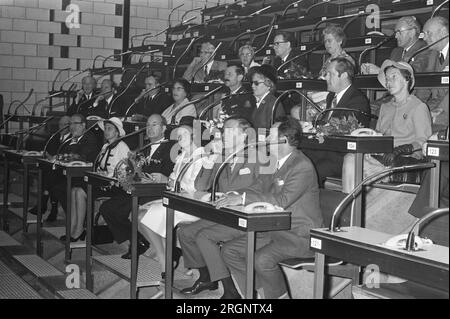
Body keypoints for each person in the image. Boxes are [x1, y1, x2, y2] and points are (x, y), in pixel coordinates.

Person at [211, 117, 323, 299]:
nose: (265, 140)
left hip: (298, 235)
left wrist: (243, 198)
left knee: (261, 259)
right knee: (229, 251)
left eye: (270, 135)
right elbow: (257, 186)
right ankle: (259, 294)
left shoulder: (301, 166)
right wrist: (234, 195)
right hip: (274, 230)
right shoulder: (274, 162)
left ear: (284, 140)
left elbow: (282, 200)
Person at [178, 117, 263, 296]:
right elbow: (200, 186)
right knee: (185, 232)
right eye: (223, 130)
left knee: (203, 236)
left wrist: (239, 197)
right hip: (222, 215)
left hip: (245, 217)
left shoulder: (257, 157)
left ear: (244, 135)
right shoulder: (222, 156)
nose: (223, 133)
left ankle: (231, 290)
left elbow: (262, 189)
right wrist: (212, 159)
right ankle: (206, 277)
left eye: (229, 130)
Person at [342, 60, 432, 193]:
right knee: (350, 158)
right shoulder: (385, 107)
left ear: (407, 80)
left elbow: (424, 140)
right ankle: (352, 207)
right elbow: (378, 135)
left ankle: (352, 207)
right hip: (381, 156)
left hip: (405, 159)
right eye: (387, 79)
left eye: (394, 77)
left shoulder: (418, 107)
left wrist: (401, 149)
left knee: (354, 164)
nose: (389, 82)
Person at [99, 114, 175, 259]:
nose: (150, 128)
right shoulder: (143, 149)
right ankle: (137, 240)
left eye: (154, 124)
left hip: (155, 193)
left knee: (123, 210)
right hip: (137, 191)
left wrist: (147, 178)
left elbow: (165, 176)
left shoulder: (170, 147)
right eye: (148, 125)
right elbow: (133, 173)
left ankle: (141, 243)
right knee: (107, 208)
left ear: (164, 128)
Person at [138, 124, 207, 279]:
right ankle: (167, 255)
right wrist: (172, 184)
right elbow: (172, 180)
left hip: (191, 205)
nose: (179, 137)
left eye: (184, 133)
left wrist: (175, 184)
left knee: (143, 218)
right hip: (176, 200)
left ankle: (165, 260)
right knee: (139, 214)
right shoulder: (182, 155)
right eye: (178, 133)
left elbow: (195, 187)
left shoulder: (202, 157)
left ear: (195, 136)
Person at [305, 57, 371, 185]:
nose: (325, 78)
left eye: (330, 74)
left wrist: (317, 130)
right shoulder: (332, 96)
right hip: (326, 149)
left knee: (310, 170)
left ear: (344, 75)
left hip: (342, 156)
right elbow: (326, 123)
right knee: (296, 158)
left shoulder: (357, 100)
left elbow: (343, 130)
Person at [62, 117, 130, 242]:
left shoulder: (122, 147)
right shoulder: (105, 146)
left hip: (114, 186)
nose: (106, 131)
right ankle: (72, 228)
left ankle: (79, 230)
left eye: (110, 129)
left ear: (117, 132)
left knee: (81, 191)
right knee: (74, 190)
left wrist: (110, 175)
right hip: (102, 182)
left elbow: (125, 171)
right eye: (106, 129)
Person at [47, 114, 102, 223]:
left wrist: (67, 154)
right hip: (73, 174)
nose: (72, 127)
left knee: (59, 186)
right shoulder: (72, 138)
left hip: (85, 176)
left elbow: (80, 157)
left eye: (75, 123)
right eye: (70, 124)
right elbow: (64, 154)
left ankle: (80, 221)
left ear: (83, 125)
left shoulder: (89, 138)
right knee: (52, 180)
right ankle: (75, 220)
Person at [28, 115, 71, 221]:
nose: (61, 127)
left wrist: (54, 158)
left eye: (64, 125)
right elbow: (47, 150)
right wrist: (48, 156)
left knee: (50, 175)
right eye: (60, 124)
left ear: (70, 126)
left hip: (65, 169)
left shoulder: (72, 138)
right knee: (47, 172)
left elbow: (68, 155)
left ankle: (45, 204)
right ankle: (52, 208)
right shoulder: (54, 136)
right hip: (53, 168)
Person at [361, 16, 429, 74]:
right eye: (395, 32)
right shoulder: (396, 52)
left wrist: (380, 71)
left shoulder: (424, 50)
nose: (396, 36)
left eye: (399, 32)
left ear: (412, 32)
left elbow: (411, 74)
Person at [422, 16, 449, 132]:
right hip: (435, 105)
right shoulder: (432, 55)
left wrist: (440, 110)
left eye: (428, 33)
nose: (425, 38)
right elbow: (424, 87)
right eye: (424, 34)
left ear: (443, 32)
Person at [249, 65, 285, 130]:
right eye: (252, 82)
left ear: (268, 84)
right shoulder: (261, 101)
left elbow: (275, 131)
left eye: (256, 83)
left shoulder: (273, 103)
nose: (252, 86)